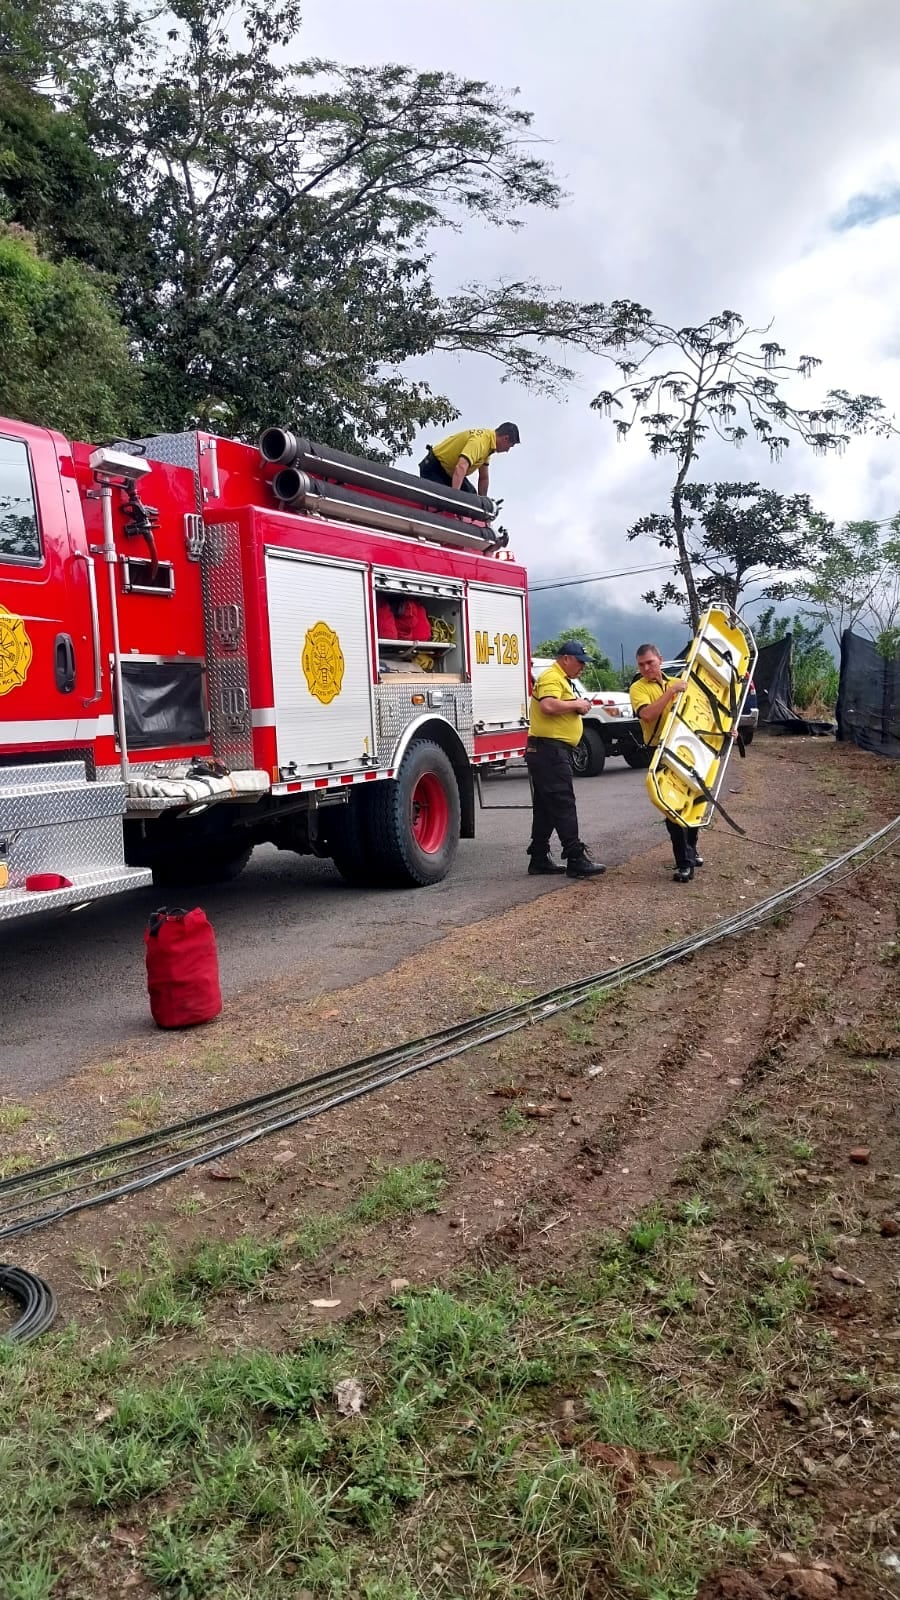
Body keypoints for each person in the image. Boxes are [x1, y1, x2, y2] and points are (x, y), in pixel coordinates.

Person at [525, 641, 606, 879]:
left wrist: (576, 707)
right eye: (580, 661)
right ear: (566, 658)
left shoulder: (560, 678)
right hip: (549, 751)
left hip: (545, 750)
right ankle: (575, 857)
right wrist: (577, 704)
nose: (582, 666)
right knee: (563, 803)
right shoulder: (552, 676)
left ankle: (539, 857)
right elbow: (548, 705)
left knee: (546, 808)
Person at [628, 643, 702, 883]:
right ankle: (683, 863)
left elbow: (699, 712)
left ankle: (691, 850)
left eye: (650, 662)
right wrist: (670, 693)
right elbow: (647, 714)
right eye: (641, 664)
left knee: (692, 801)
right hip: (658, 751)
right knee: (671, 807)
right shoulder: (638, 688)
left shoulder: (677, 681)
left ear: (660, 659)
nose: (646, 668)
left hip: (685, 749)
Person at [419, 424, 520, 497]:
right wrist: (454, 498)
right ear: (505, 438)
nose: (507, 450)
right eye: (510, 446)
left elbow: (483, 478)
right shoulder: (480, 442)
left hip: (449, 473)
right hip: (434, 468)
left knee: (471, 497)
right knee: (442, 500)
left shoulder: (489, 446)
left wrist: (483, 505)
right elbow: (461, 466)